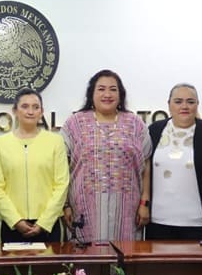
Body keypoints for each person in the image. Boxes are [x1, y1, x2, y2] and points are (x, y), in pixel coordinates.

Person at [61, 69, 152, 243]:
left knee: (123, 263)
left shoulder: (135, 124)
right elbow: (61, 166)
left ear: (120, 94)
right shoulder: (75, 124)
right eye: (101, 89)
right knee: (87, 263)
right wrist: (65, 205)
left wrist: (144, 203)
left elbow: (145, 164)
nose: (107, 94)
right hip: (83, 208)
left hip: (127, 209)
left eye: (113, 89)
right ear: (91, 94)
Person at [147, 83, 202, 240]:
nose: (184, 106)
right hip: (158, 222)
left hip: (201, 222)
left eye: (190, 102)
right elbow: (144, 172)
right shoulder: (154, 130)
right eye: (178, 101)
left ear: (197, 105)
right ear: (169, 104)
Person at [0, 89, 70, 243]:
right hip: (11, 225)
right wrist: (16, 221)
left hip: (49, 225)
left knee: (52, 268)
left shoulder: (55, 142)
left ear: (42, 112)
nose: (30, 111)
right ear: (15, 111)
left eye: (36, 107)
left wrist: (43, 222)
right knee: (11, 268)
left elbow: (62, 185)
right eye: (25, 106)